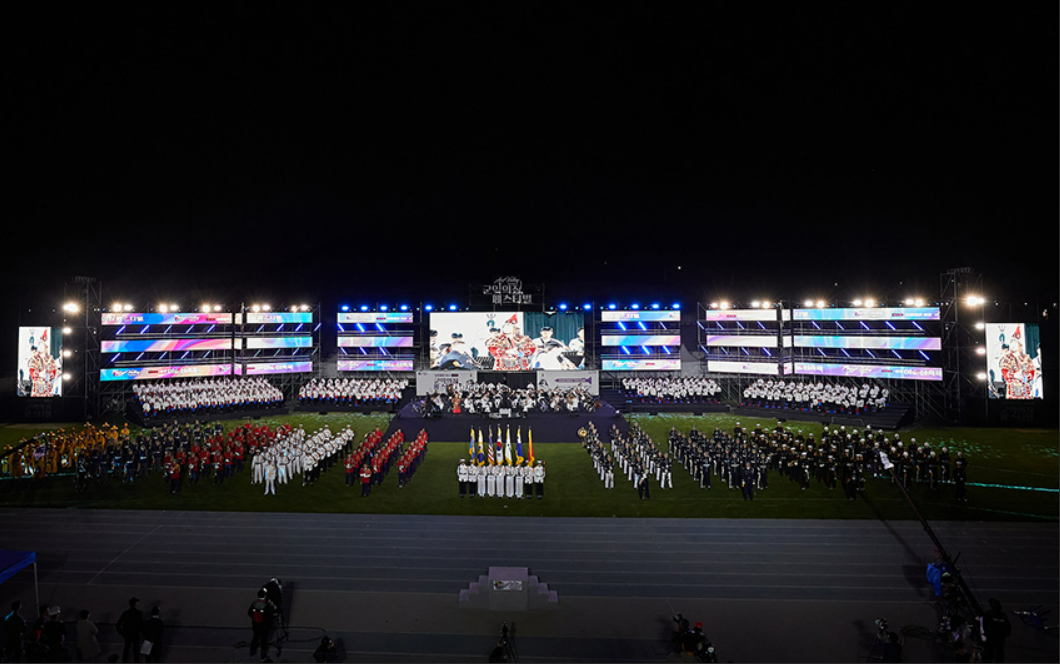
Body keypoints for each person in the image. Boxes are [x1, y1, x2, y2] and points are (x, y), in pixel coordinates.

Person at [247, 588, 278, 662]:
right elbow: (270, 614)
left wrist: (254, 618)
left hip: (255, 624)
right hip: (264, 625)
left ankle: (252, 651)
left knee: (255, 637)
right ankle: (263, 654)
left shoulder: (254, 603)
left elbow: (249, 612)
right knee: (264, 639)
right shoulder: (267, 605)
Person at [980, 597, 1011, 663]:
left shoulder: (989, 614)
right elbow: (1008, 628)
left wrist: (984, 634)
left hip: (993, 638)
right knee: (996, 653)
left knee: (992, 653)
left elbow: (982, 624)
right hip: (995, 638)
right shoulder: (1002, 616)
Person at [115, 597, 143, 663]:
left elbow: (118, 624)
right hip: (135, 634)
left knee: (126, 650)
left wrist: (122, 632)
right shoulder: (139, 613)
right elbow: (140, 625)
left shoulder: (126, 613)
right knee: (136, 651)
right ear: (135, 604)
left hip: (127, 634)